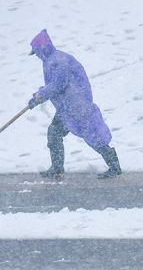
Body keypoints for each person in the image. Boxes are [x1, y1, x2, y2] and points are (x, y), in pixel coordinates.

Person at [27, 29, 122, 179]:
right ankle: (57, 168)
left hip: (76, 107)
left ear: (43, 48)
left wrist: (39, 96)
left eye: (36, 51)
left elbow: (58, 85)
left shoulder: (57, 61)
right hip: (68, 107)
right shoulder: (52, 60)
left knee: (92, 135)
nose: (37, 55)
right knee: (55, 133)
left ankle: (114, 166)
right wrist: (38, 96)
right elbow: (54, 85)